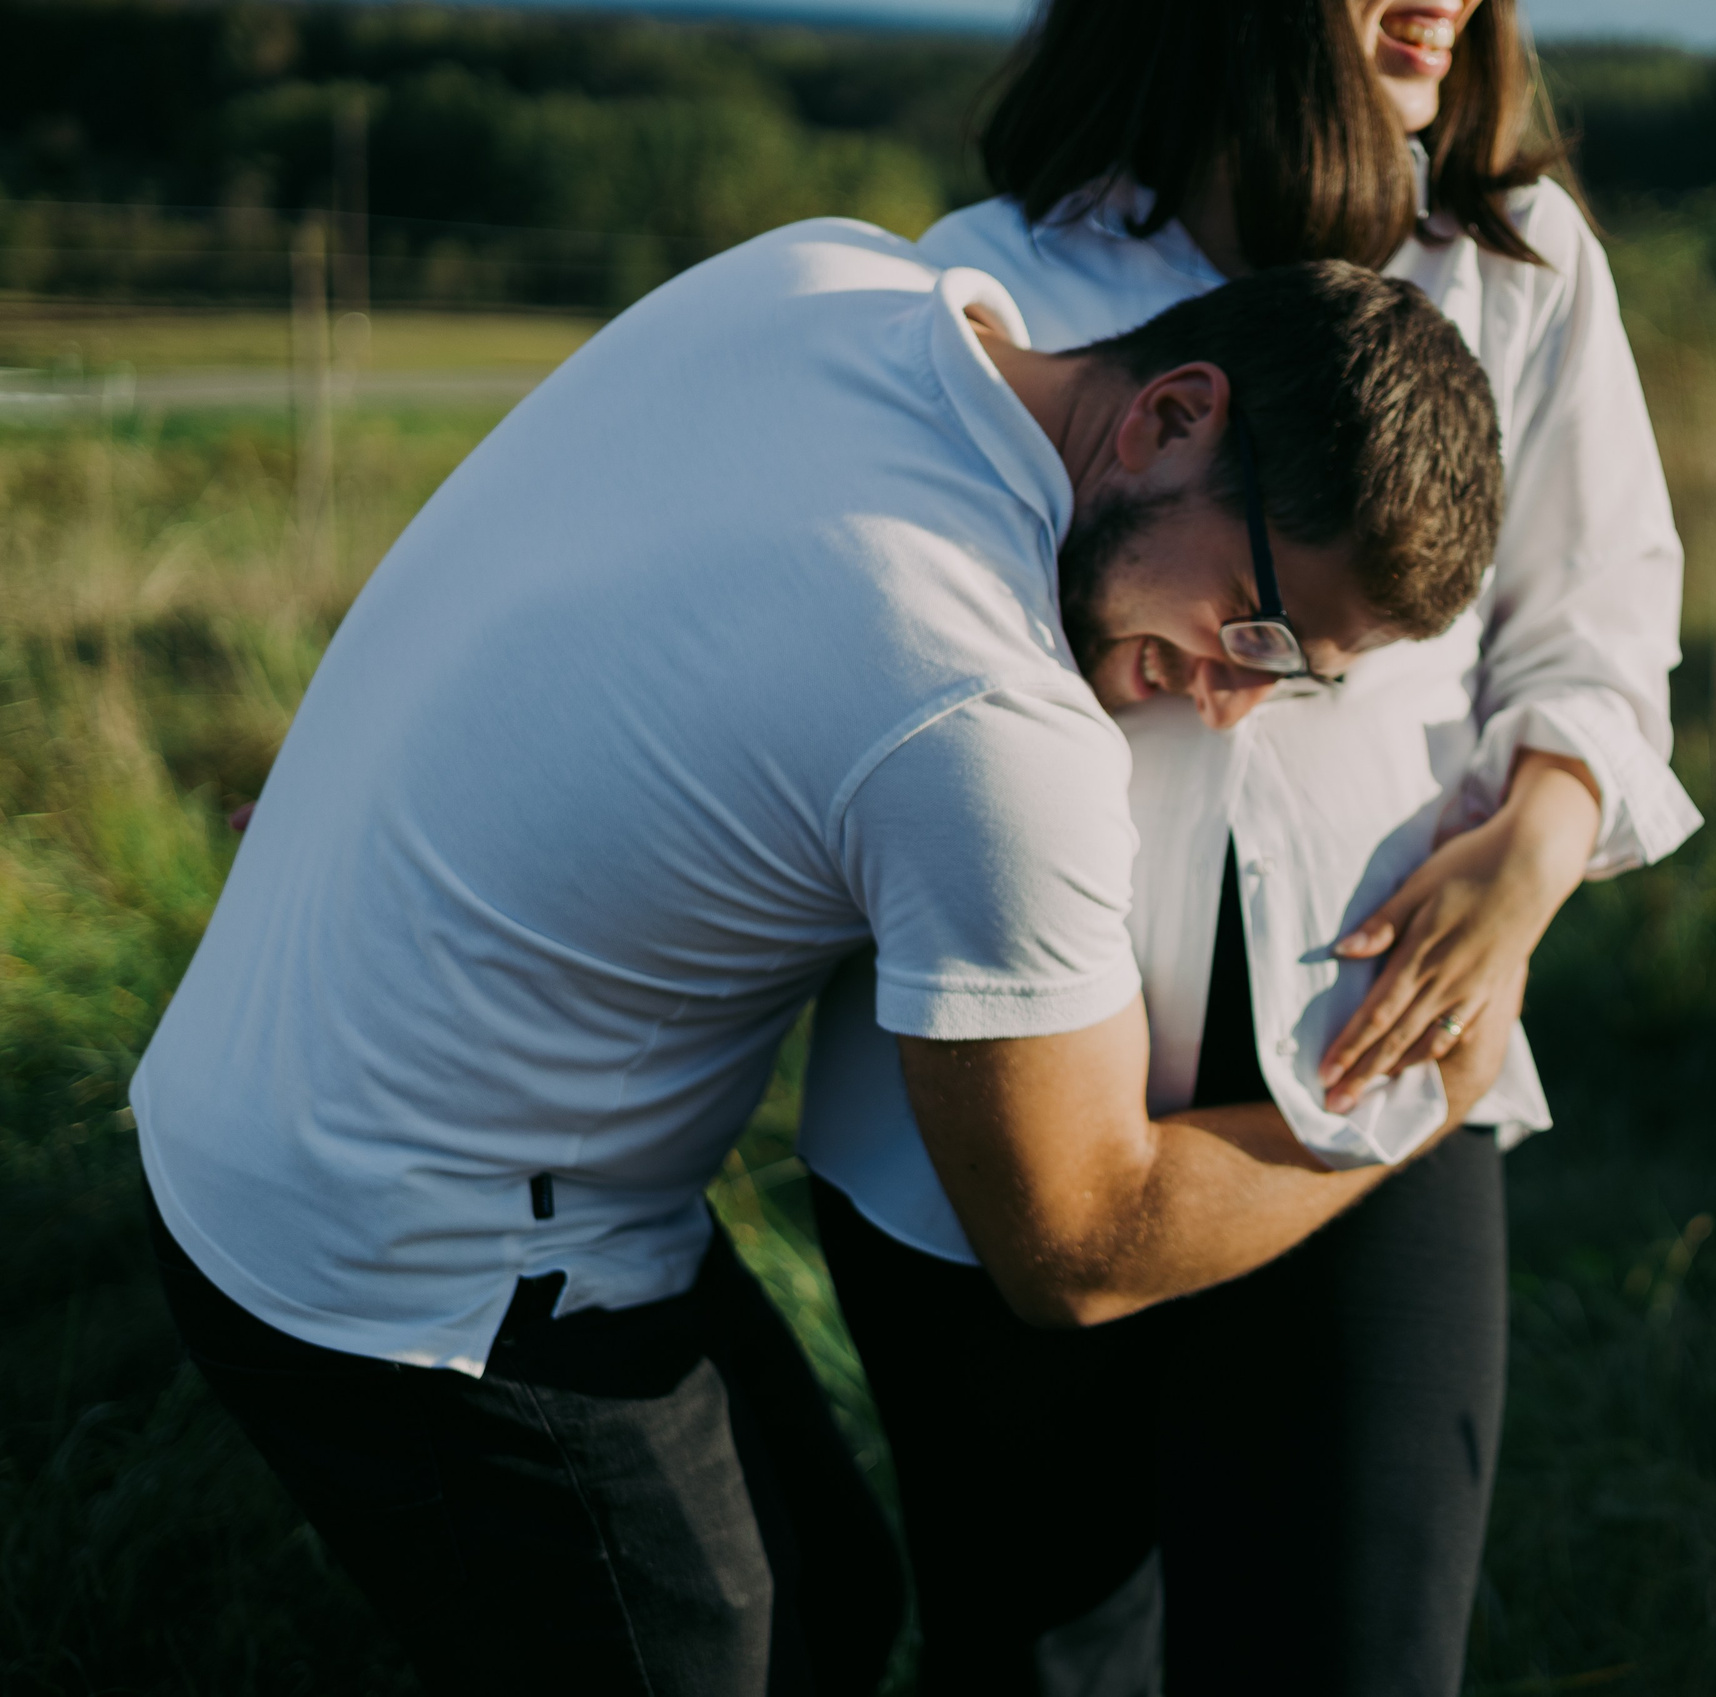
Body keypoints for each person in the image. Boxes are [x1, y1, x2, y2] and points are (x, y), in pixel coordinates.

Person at [129, 222, 1509, 1697]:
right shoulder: (987, 716)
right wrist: (1404, 1110)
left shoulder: (827, 281)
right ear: (1173, 414)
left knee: (835, 1600)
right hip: (417, 1256)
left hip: (260, 1061)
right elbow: (1080, 1241)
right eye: (1260, 630)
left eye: (1299, 682)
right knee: (763, 1661)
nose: (1233, 703)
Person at [793, 1, 1702, 1692]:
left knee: (1359, 1655)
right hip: (992, 1122)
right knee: (1043, 1658)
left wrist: (1538, 856)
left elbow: (1598, 627)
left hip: (1374, 1082)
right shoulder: (1001, 278)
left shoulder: (1518, 266)